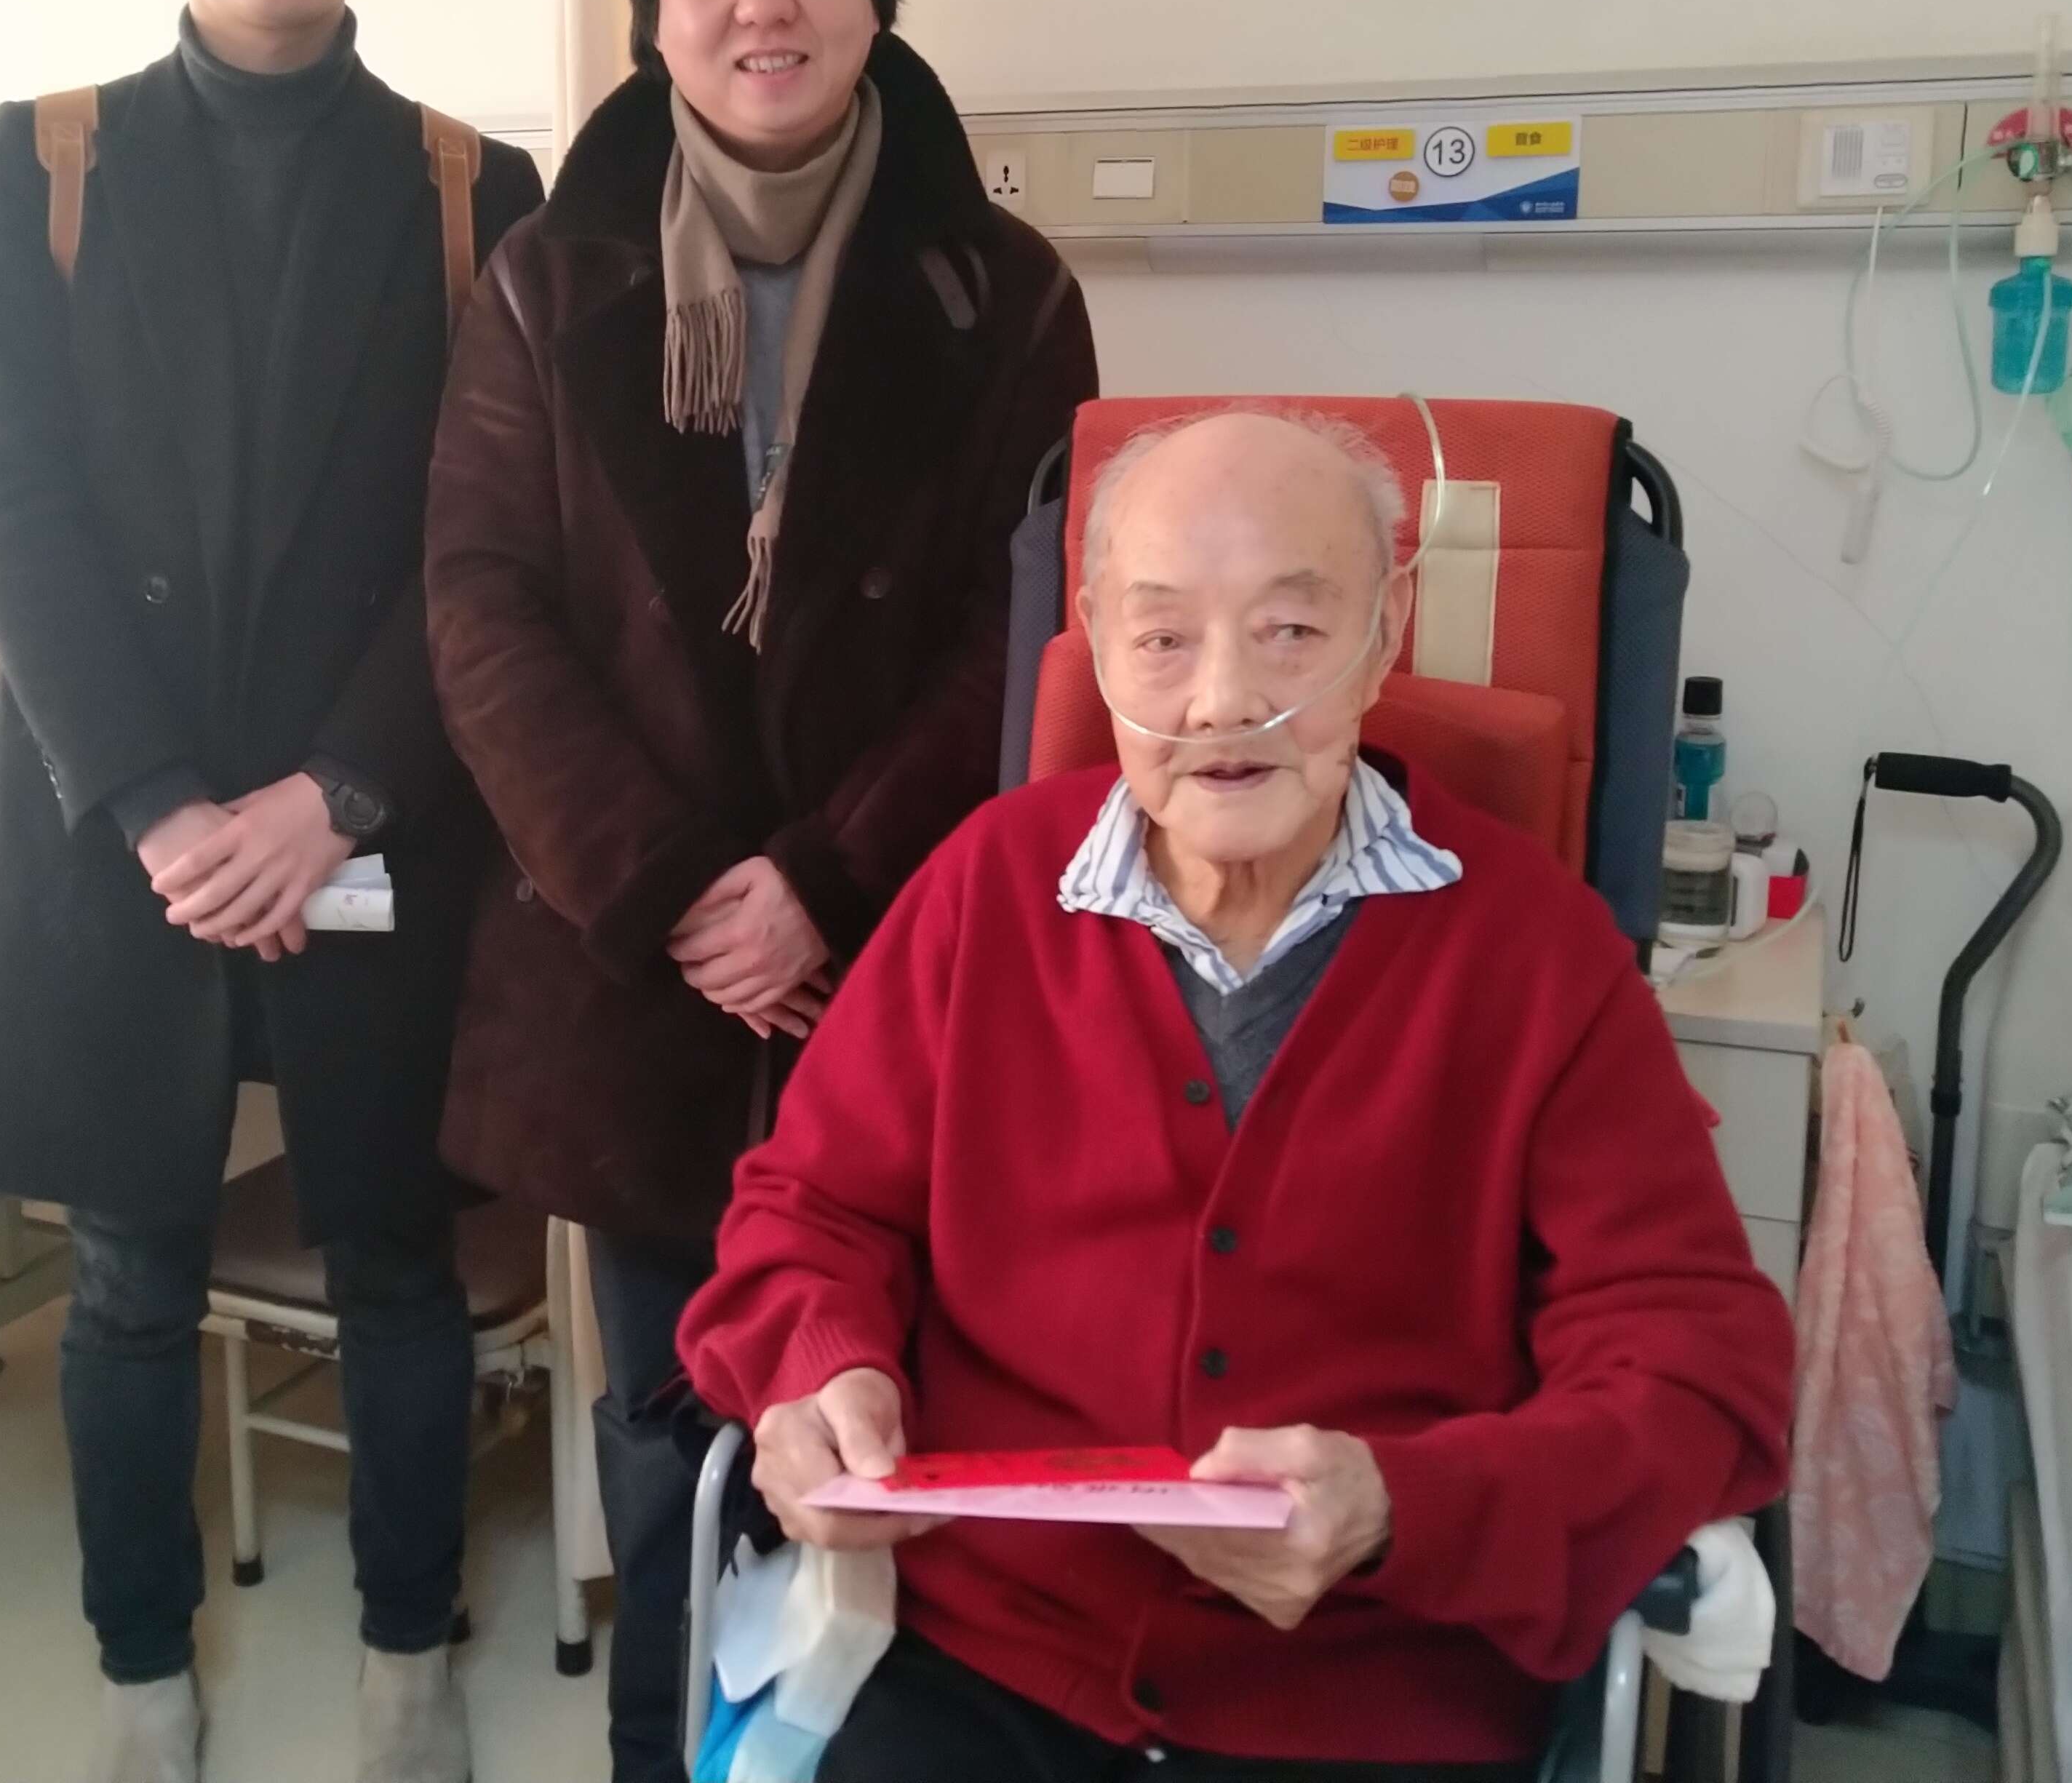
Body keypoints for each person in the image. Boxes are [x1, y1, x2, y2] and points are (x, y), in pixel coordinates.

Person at [677, 409, 1798, 1781]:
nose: (1220, 702)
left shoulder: (1537, 952)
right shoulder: (985, 889)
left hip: (1374, 1690)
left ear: (1387, 632)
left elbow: (1698, 1363)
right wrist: (820, 1369)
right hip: (981, 1657)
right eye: (1162, 637)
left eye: (1291, 631)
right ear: (1093, 642)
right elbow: (808, 1211)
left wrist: (1405, 1508)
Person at [424, 0, 1100, 1781]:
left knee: (894, 1437)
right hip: (636, 973)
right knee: (669, 1441)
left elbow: (1031, 623)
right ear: (653, 4)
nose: (760, 1)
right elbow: (479, 604)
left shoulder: (1008, 290)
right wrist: (673, 892)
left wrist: (820, 880)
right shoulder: (547, 277)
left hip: (893, 963)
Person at [0, 0, 541, 1783]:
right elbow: (8, 505)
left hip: (373, 809)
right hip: (122, 813)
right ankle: (140, 1671)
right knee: (127, 1269)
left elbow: (486, 539)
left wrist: (333, 794)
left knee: (393, 1253)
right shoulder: (45, 162)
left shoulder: (476, 187)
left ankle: (406, 1653)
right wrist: (164, 810)